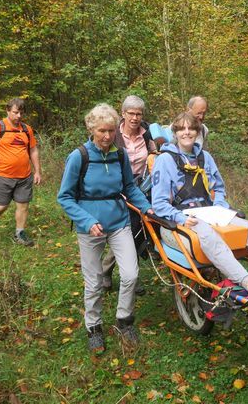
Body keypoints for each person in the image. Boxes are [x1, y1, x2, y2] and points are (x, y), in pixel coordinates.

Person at [152, 112, 248, 306]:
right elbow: (159, 203)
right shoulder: (164, 160)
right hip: (183, 216)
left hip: (210, 211)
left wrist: (221, 209)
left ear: (197, 131)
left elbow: (218, 188)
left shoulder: (205, 157)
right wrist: (180, 218)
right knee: (208, 235)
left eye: (191, 128)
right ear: (175, 132)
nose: (187, 132)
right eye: (181, 128)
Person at [58, 103, 153, 354]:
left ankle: (124, 321)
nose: (107, 136)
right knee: (95, 282)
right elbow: (65, 197)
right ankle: (94, 327)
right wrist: (88, 221)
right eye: (102, 131)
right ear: (91, 129)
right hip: (89, 226)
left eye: (111, 131)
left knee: (131, 274)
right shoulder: (80, 156)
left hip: (119, 221)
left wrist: (146, 208)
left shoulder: (120, 154)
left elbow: (130, 188)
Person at [101, 95, 157, 294]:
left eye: (138, 114)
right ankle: (106, 271)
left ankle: (129, 277)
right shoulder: (112, 135)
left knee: (136, 233)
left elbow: (154, 155)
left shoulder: (147, 134)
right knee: (120, 233)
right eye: (131, 113)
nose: (135, 118)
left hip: (139, 190)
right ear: (123, 114)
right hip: (115, 190)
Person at [0, 98, 41, 246]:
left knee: (23, 205)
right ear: (7, 111)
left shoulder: (26, 129)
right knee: (0, 206)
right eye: (15, 112)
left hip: (24, 176)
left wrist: (37, 171)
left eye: (21, 113)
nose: (18, 116)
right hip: (1, 175)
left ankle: (19, 233)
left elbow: (33, 150)